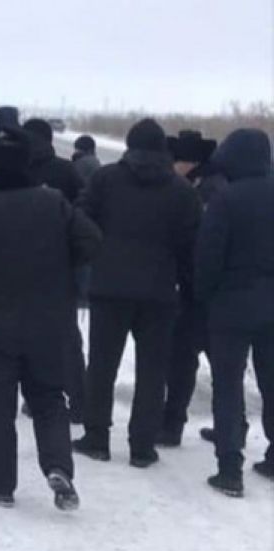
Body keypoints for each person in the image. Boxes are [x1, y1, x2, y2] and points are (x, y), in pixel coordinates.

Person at [0, 122, 102, 510]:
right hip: (49, 320)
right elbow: (91, 241)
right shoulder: (53, 203)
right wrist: (62, 276)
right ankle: (59, 466)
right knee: (49, 397)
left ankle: (0, 483)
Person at [73, 119, 200, 468]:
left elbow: (81, 220)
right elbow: (191, 246)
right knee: (152, 370)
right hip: (159, 293)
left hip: (109, 287)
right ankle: (142, 446)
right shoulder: (182, 190)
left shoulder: (105, 179)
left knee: (101, 366)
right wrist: (186, 285)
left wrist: (97, 255)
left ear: (129, 145)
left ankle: (96, 437)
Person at [195, 128, 274, 496]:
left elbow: (209, 256)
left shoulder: (226, 199)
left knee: (228, 384)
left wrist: (204, 295)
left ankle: (230, 468)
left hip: (231, 303)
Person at [158, 129, 228, 446]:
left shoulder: (208, 191)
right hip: (213, 291)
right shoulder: (209, 184)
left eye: (177, 160)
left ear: (189, 162)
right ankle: (230, 426)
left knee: (183, 360)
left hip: (201, 291)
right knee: (220, 364)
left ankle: (172, 424)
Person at [23, 117, 89, 423]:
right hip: (61, 265)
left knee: (29, 335)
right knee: (66, 336)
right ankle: (78, 400)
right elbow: (84, 214)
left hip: (22, 265)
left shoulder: (18, 170)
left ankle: (36, 397)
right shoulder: (67, 171)